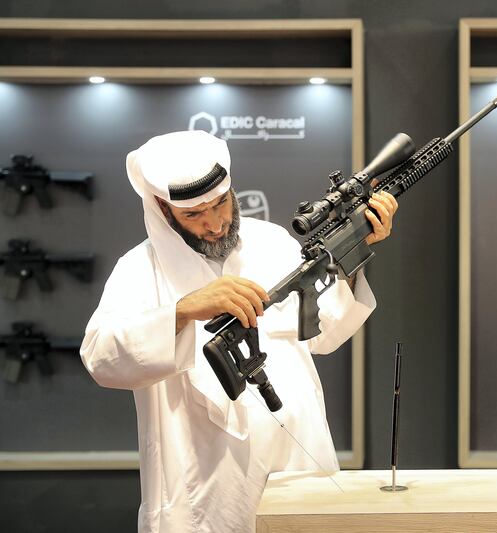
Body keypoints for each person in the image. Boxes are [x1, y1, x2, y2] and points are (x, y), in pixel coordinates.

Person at [80, 130, 398, 533]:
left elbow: (324, 334)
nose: (214, 223)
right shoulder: (140, 269)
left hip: (297, 459)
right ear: (163, 210)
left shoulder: (274, 243)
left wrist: (356, 251)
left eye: (220, 205)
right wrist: (182, 311)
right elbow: (101, 358)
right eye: (193, 215)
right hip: (202, 487)